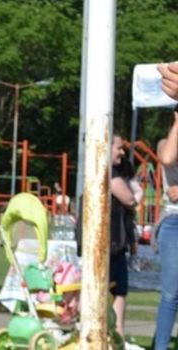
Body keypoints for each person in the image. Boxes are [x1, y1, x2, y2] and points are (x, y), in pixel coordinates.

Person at [109, 134, 137, 339]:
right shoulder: (109, 174)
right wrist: (135, 197)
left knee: (119, 290)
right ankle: (116, 334)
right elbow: (129, 199)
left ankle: (117, 336)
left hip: (116, 243)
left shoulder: (117, 172)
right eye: (118, 147)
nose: (122, 151)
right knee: (116, 290)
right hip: (110, 243)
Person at [155, 111, 178, 350]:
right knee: (171, 293)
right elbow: (168, 158)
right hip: (174, 221)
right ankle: (160, 346)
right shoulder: (166, 142)